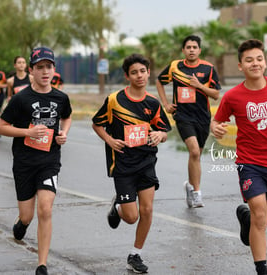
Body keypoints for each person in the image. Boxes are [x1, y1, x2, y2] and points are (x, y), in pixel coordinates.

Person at [210, 39, 267, 275]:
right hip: (249, 163)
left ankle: (245, 217)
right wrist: (215, 127)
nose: (255, 63)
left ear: (265, 62)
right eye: (249, 60)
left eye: (259, 59)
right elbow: (217, 120)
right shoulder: (232, 96)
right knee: (260, 215)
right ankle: (261, 269)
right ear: (240, 66)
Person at [0, 46, 72, 275]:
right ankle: (23, 224)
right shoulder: (21, 99)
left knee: (45, 210)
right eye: (40, 67)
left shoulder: (61, 97)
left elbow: (67, 117)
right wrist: (27, 133)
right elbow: (1, 127)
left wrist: (64, 133)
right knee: (28, 214)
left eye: (49, 67)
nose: (45, 71)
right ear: (31, 71)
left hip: (49, 160)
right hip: (24, 162)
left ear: (54, 70)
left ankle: (42, 264)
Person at [92, 53, 171, 273]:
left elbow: (164, 130)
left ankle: (135, 254)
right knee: (131, 216)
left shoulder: (153, 104)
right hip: (123, 165)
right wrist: (109, 139)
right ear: (127, 76)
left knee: (147, 210)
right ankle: (118, 207)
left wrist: (159, 136)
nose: (139, 76)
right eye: (134, 72)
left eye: (143, 71)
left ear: (148, 73)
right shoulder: (115, 100)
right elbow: (96, 124)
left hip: (146, 162)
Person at [156, 35, 221, 208]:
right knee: (193, 152)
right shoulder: (175, 66)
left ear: (199, 50)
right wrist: (166, 104)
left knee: (196, 155)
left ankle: (190, 188)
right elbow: (159, 81)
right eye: (188, 47)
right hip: (183, 116)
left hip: (202, 117)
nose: (191, 50)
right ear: (183, 50)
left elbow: (216, 95)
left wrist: (199, 85)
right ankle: (197, 193)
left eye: (194, 47)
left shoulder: (208, 68)